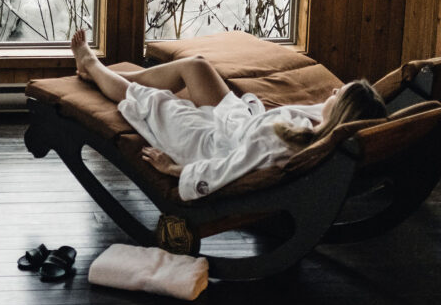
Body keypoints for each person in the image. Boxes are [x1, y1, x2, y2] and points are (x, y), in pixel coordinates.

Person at [69, 30, 387, 200]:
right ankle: (103, 75)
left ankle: (92, 65)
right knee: (195, 66)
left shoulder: (281, 144)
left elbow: (229, 169)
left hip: (204, 144)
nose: (331, 92)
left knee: (146, 99)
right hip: (233, 123)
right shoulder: (323, 128)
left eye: (338, 95)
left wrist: (177, 169)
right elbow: (350, 117)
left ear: (341, 114)